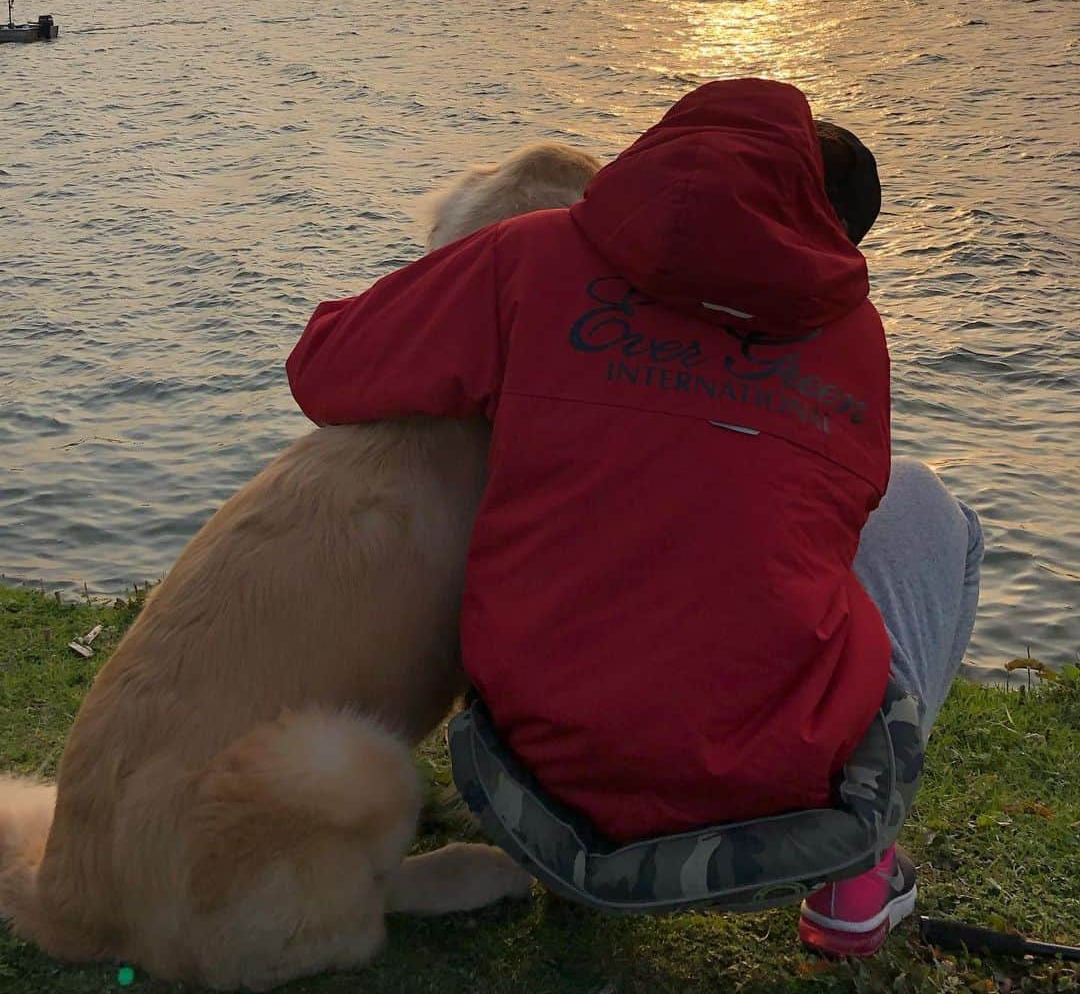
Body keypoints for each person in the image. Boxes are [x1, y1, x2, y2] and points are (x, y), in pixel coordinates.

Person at [286, 79, 983, 956]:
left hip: (531, 809)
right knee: (928, 510)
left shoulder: (526, 256)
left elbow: (321, 366)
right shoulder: (853, 337)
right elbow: (833, 531)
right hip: (777, 838)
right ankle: (856, 881)